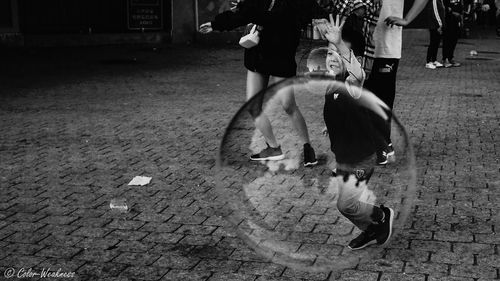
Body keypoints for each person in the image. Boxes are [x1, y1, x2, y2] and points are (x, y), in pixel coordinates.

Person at [199, 0, 327, 166]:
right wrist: (216, 24)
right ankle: (273, 148)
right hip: (258, 56)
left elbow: (316, 11)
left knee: (288, 105)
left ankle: (307, 148)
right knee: (254, 106)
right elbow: (243, 14)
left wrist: (323, 20)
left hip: (282, 57)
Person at [318, 15, 394, 250]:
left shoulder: (353, 83)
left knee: (346, 205)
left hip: (361, 157)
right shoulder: (334, 83)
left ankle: (381, 216)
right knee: (349, 202)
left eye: (339, 54)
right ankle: (371, 229)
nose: (333, 58)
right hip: (344, 156)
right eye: (330, 53)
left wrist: (339, 42)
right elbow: (338, 109)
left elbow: (359, 74)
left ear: (353, 59)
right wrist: (330, 125)